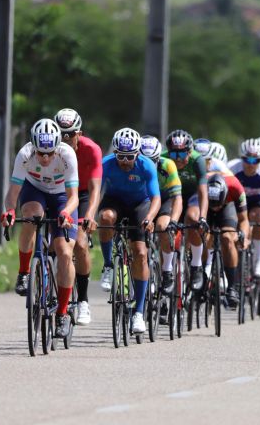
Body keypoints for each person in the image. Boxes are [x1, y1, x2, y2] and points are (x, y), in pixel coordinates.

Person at [1, 118, 79, 338]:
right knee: (31, 216)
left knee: (64, 252)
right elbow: (13, 193)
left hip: (62, 196)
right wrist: (9, 211)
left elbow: (74, 198)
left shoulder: (67, 155)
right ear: (33, 147)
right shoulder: (24, 154)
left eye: (49, 153)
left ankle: (62, 314)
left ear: (57, 147)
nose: (45, 158)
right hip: (34, 190)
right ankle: (24, 271)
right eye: (40, 153)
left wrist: (65, 213)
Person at [97, 128, 161, 334]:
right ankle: (108, 266)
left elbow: (156, 198)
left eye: (129, 157)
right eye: (120, 156)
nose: (124, 161)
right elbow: (95, 191)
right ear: (114, 152)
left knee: (140, 253)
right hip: (114, 201)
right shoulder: (106, 164)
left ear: (138, 154)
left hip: (139, 205)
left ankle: (139, 313)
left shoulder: (146, 165)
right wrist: (89, 216)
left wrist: (150, 218)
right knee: (105, 218)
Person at [53, 108, 102, 326]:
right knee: (52, 244)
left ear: (79, 133)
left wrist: (90, 215)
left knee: (80, 244)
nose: (65, 139)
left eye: (70, 135)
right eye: (61, 134)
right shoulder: (47, 148)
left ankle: (82, 300)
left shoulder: (91, 150)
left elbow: (94, 190)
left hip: (81, 195)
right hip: (56, 192)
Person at [162, 130, 209, 291]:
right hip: (172, 196)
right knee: (164, 224)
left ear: (190, 152)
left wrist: (203, 217)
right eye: (173, 155)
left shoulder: (197, 160)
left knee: (193, 218)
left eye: (182, 155)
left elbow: (203, 191)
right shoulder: (163, 158)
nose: (177, 160)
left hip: (192, 196)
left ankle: (196, 266)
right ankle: (166, 270)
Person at [229, 139, 260, 280]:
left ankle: (259, 259)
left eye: (255, 160)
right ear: (241, 157)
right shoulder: (232, 168)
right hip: (238, 201)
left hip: (258, 201)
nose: (250, 164)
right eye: (247, 160)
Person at [139, 136, 182, 294]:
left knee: (163, 227)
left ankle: (167, 270)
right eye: (144, 159)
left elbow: (177, 197)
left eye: (153, 160)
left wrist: (174, 221)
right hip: (143, 200)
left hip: (164, 200)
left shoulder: (168, 165)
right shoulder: (133, 165)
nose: (149, 164)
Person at [204, 174, 250, 306]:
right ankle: (204, 271)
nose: (215, 208)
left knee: (227, 237)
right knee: (203, 236)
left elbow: (244, 219)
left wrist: (242, 235)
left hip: (228, 207)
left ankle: (232, 287)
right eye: (214, 205)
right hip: (204, 206)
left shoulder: (235, 187)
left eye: (217, 205)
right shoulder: (202, 185)